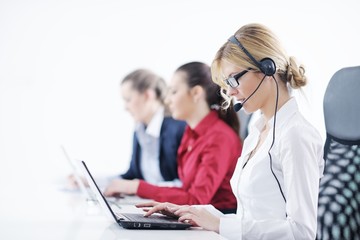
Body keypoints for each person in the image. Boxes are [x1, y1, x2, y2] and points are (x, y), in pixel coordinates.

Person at [137, 23, 324, 240]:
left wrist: (219, 224)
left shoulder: (295, 135)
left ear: (267, 68)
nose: (231, 91)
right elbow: (251, 218)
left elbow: (302, 232)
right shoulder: (257, 133)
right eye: (227, 83)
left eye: (234, 78)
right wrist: (193, 212)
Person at [104, 62, 242, 213]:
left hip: (217, 224)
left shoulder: (219, 137)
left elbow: (196, 200)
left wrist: (137, 187)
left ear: (196, 93)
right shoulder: (190, 134)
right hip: (193, 217)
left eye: (174, 92)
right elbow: (186, 190)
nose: (167, 100)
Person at [116, 69, 186, 185]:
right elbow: (132, 175)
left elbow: (185, 184)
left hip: (169, 202)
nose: (125, 107)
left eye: (128, 100)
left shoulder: (178, 128)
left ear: (148, 95)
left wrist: (141, 188)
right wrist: (94, 182)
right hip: (147, 200)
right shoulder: (139, 129)